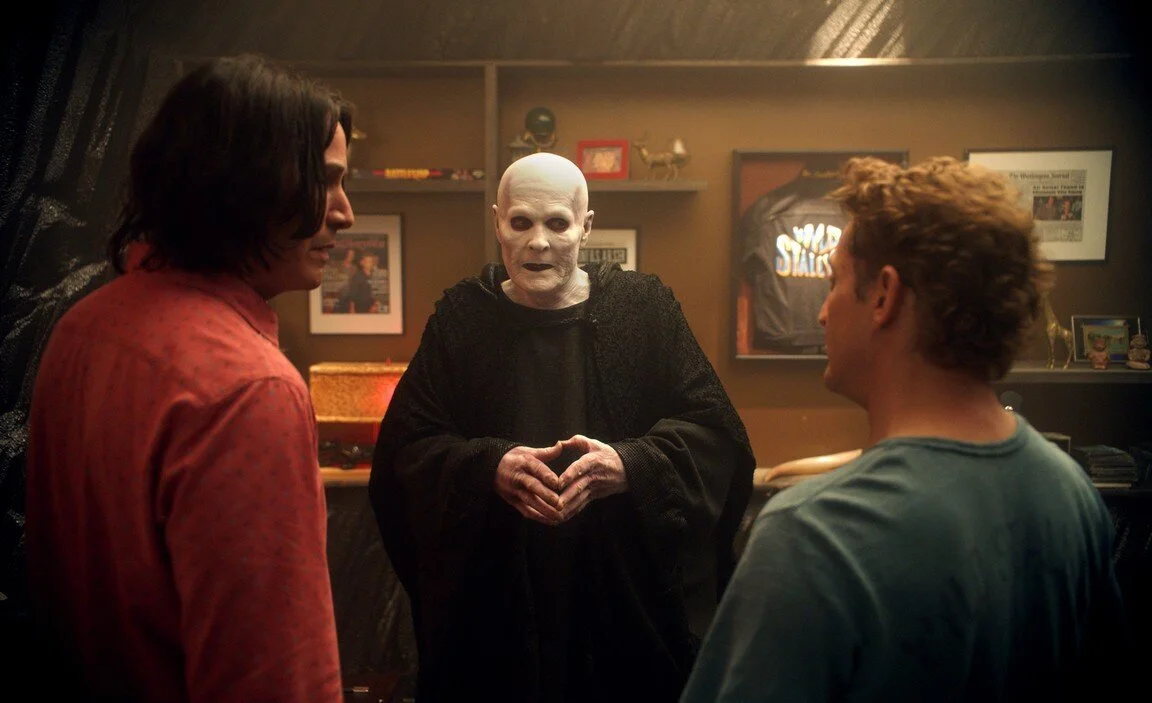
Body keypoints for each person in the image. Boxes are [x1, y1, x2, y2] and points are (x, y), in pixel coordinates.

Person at [683, 156, 1131, 701]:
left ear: (884, 295)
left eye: (834, 282)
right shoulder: (1071, 494)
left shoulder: (816, 535)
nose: (822, 313)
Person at [24, 54, 355, 702]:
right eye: (328, 180)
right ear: (252, 182)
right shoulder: (250, 389)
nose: (344, 212)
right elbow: (274, 686)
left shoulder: (83, 327)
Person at [369, 151, 755, 702]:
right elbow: (406, 451)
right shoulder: (462, 319)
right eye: (520, 222)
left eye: (557, 223)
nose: (538, 243)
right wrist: (487, 466)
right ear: (497, 223)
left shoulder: (643, 310)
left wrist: (630, 464)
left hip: (623, 610)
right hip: (494, 616)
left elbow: (717, 435)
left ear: (586, 227)